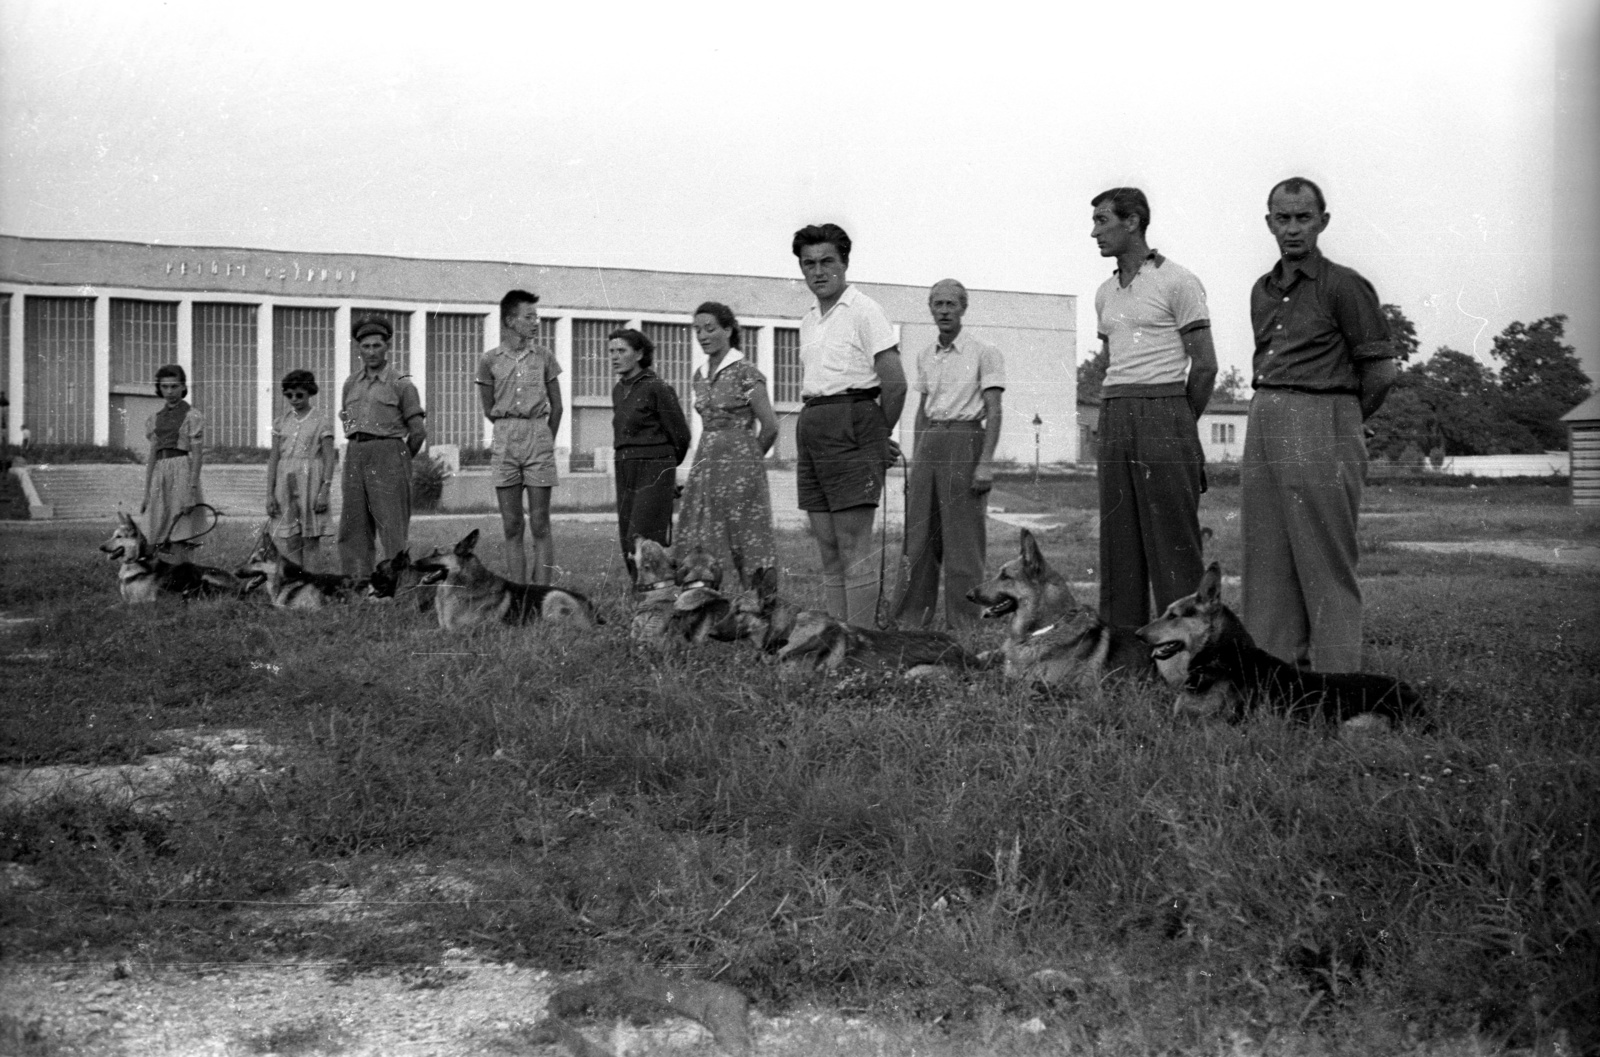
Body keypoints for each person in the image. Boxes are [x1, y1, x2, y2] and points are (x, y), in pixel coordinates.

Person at [1242, 177, 1398, 672]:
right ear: (1269, 223)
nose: (1292, 229)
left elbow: (1380, 372)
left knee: (1325, 557)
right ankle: (1275, 674)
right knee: (1266, 557)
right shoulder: (1261, 290)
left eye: (1303, 217)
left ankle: (1336, 682)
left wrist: (1340, 421)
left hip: (1323, 417)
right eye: (1282, 218)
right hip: (1265, 417)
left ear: (1322, 222)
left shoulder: (1344, 285)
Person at [1089, 187, 1217, 628]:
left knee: (1173, 541)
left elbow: (1204, 367)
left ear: (1133, 221)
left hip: (1164, 409)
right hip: (1115, 411)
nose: (1094, 232)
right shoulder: (1105, 293)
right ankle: (1123, 650)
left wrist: (1178, 423)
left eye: (1103, 220)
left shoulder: (1178, 280)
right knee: (1118, 539)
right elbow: (1114, 362)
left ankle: (1184, 653)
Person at [792, 223, 908, 626]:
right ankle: (836, 638)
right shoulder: (808, 318)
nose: (818, 271)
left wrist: (877, 436)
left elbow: (895, 382)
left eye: (827, 262)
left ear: (844, 263)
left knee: (853, 543)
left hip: (852, 418)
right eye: (809, 264)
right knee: (827, 545)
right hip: (813, 424)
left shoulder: (865, 310)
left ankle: (861, 644)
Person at [894, 279, 1005, 630]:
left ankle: (965, 625)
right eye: (938, 304)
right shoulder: (925, 354)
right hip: (931, 443)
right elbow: (922, 410)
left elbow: (995, 409)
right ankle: (911, 621)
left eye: (950, 304)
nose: (944, 311)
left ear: (963, 308)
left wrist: (984, 462)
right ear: (930, 308)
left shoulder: (984, 351)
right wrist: (915, 463)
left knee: (962, 541)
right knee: (918, 539)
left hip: (965, 440)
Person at [675, 302, 779, 588]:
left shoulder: (746, 371)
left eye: (710, 329)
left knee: (744, 533)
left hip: (741, 465)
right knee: (702, 530)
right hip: (706, 464)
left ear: (728, 330)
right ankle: (706, 598)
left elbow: (770, 426)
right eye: (697, 330)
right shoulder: (699, 375)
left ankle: (753, 606)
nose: (702, 336)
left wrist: (749, 463)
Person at [477, 289, 563, 585]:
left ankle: (541, 592)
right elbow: (489, 409)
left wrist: (543, 439)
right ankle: (518, 592)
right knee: (512, 524)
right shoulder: (488, 361)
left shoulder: (544, 357)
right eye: (529, 317)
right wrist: (509, 430)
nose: (536, 322)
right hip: (504, 441)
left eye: (536, 316)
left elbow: (558, 406)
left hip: (538, 437)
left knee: (540, 522)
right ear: (510, 320)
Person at [338, 317, 426, 579]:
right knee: (353, 526)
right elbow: (349, 422)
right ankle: (357, 585)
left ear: (387, 346)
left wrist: (398, 459)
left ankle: (397, 587)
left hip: (389, 454)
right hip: (355, 453)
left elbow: (418, 431)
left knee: (391, 527)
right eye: (365, 346)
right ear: (358, 349)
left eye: (377, 346)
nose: (371, 352)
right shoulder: (350, 383)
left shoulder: (402, 383)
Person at [609, 327, 691, 580]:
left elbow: (681, 435)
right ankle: (640, 592)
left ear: (639, 353)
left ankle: (657, 592)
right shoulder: (618, 389)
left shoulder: (656, 387)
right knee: (627, 537)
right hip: (625, 467)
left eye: (621, 351)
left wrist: (664, 471)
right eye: (611, 351)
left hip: (654, 467)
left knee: (644, 534)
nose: (614, 356)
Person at [266, 369, 337, 570]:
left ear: (310, 392)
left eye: (299, 395)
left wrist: (324, 490)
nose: (294, 399)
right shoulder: (281, 422)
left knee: (310, 539)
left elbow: (330, 458)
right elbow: (273, 458)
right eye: (289, 395)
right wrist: (269, 494)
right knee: (291, 539)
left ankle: (312, 584)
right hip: (284, 482)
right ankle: (295, 585)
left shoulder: (321, 421)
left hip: (310, 481)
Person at [141, 364, 206, 561]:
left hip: (181, 471)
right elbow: (152, 455)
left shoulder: (192, 415)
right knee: (154, 526)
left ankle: (183, 578)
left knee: (181, 528)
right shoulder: (154, 418)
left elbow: (197, 455)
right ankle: (157, 579)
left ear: (183, 387)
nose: (170, 392)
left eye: (174, 386)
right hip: (160, 472)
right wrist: (146, 492)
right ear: (159, 388)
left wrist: (191, 490)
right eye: (165, 387)